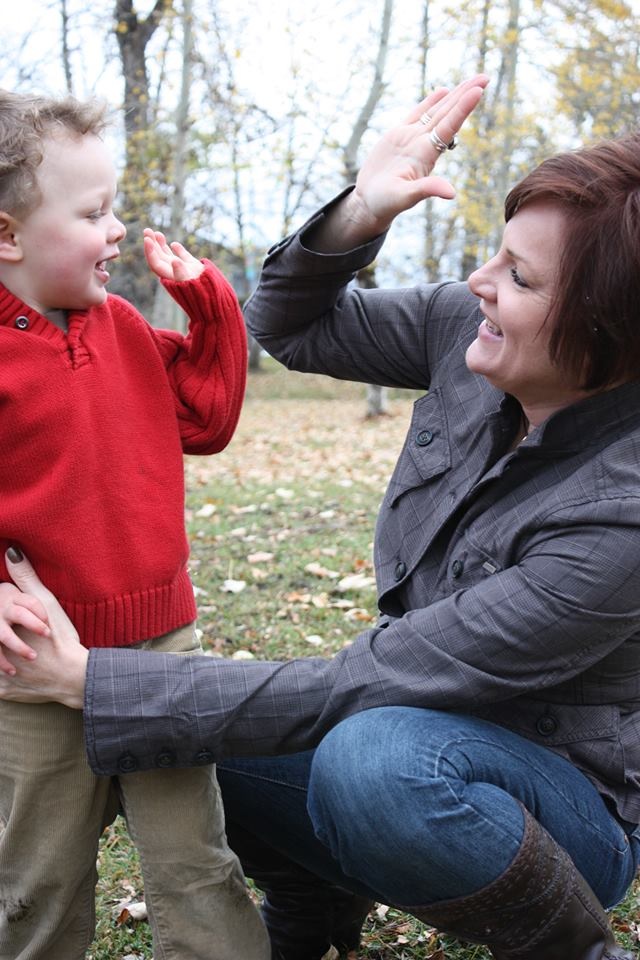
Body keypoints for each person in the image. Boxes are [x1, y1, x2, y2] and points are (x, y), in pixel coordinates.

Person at [1, 74, 639, 960]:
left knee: (371, 757)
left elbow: (374, 686)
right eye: (495, 255)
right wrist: (361, 212)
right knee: (207, 725)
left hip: (556, 797)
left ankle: (577, 949)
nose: (477, 283)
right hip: (402, 718)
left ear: (606, 332)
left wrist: (94, 682)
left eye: (520, 277)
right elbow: (291, 327)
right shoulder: (468, 332)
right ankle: (312, 907)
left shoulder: (623, 517)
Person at [0, 91, 269, 960]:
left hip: (161, 651)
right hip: (33, 668)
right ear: (8, 236)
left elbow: (208, 418)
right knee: (38, 876)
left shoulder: (120, 327)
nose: (117, 229)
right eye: (92, 212)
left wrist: (210, 308)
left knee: (197, 862)